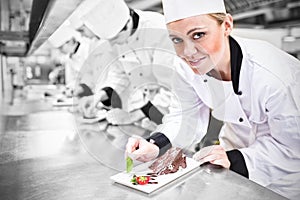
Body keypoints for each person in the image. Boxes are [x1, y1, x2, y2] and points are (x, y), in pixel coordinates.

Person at [125, 0, 300, 199]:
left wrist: (235, 160)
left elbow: (292, 147)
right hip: (229, 160)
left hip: (286, 180)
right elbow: (185, 117)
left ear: (226, 25)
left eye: (198, 35)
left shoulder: (275, 75)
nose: (187, 52)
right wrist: (156, 145)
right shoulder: (184, 67)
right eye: (176, 40)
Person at [77, 0, 177, 126]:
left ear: (127, 25)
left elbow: (172, 88)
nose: (112, 44)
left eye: (114, 39)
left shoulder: (159, 30)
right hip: (149, 112)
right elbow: (120, 74)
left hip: (174, 112)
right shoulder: (119, 39)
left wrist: (133, 116)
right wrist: (99, 96)